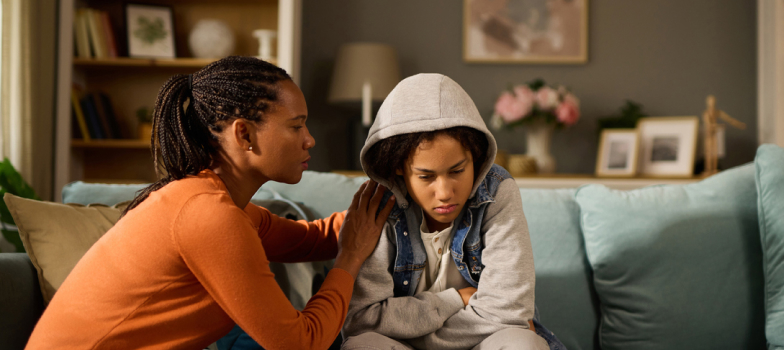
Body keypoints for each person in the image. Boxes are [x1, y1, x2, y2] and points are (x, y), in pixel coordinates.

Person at [25, 56, 394, 350]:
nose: (310, 139)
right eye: (296, 126)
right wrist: (350, 258)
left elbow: (311, 239)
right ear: (244, 134)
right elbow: (300, 343)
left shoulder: (218, 203)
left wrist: (399, 196)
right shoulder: (208, 216)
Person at [341, 74, 565, 350]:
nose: (445, 192)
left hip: (480, 344)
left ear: (477, 157)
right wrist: (455, 299)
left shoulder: (497, 192)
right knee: (362, 346)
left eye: (457, 171)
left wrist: (413, 333)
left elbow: (508, 314)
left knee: (524, 344)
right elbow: (361, 320)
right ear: (398, 167)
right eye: (426, 176)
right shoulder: (377, 205)